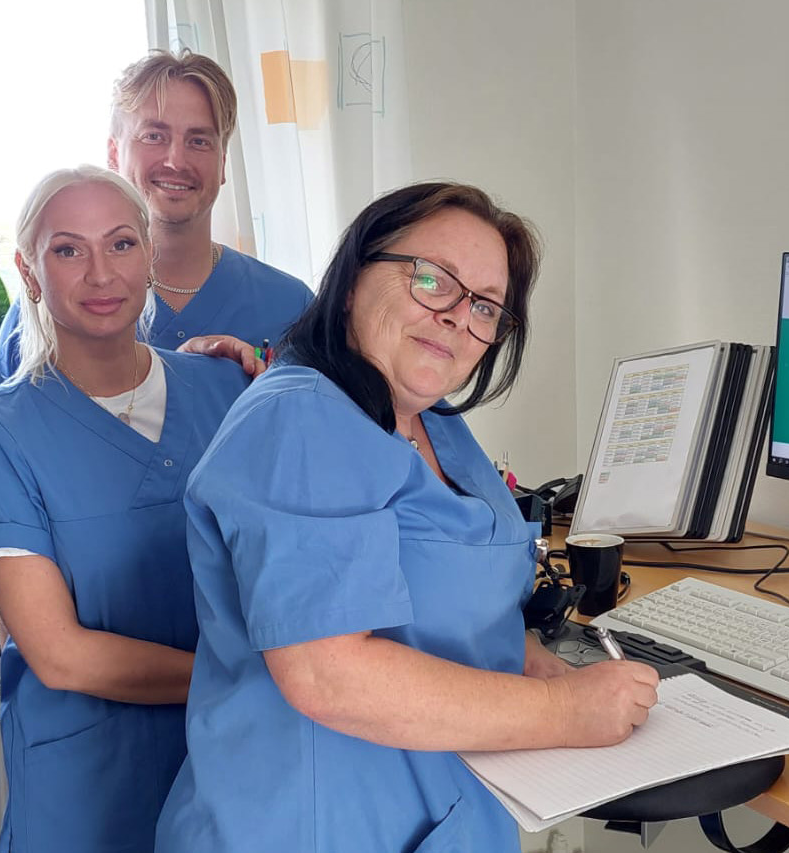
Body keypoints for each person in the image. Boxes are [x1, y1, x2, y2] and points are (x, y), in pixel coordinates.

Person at [156, 182, 661, 851]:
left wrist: (534, 659)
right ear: (352, 276)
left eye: (485, 305)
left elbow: (453, 596)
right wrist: (564, 710)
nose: (458, 316)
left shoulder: (435, 425)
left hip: (438, 808)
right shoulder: (302, 418)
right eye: (432, 279)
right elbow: (328, 674)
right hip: (312, 823)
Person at [0, 164, 262, 852]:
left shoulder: (225, 390)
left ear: (150, 253)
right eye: (67, 249)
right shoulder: (0, 432)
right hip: (86, 786)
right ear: (29, 273)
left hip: (230, 766)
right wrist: (253, 680)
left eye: (121, 243)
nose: (101, 273)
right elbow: (59, 655)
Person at [0, 49, 311, 374]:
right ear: (114, 154)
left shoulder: (289, 307)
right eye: (154, 136)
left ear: (223, 162)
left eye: (199, 141)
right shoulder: (50, 311)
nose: (176, 161)